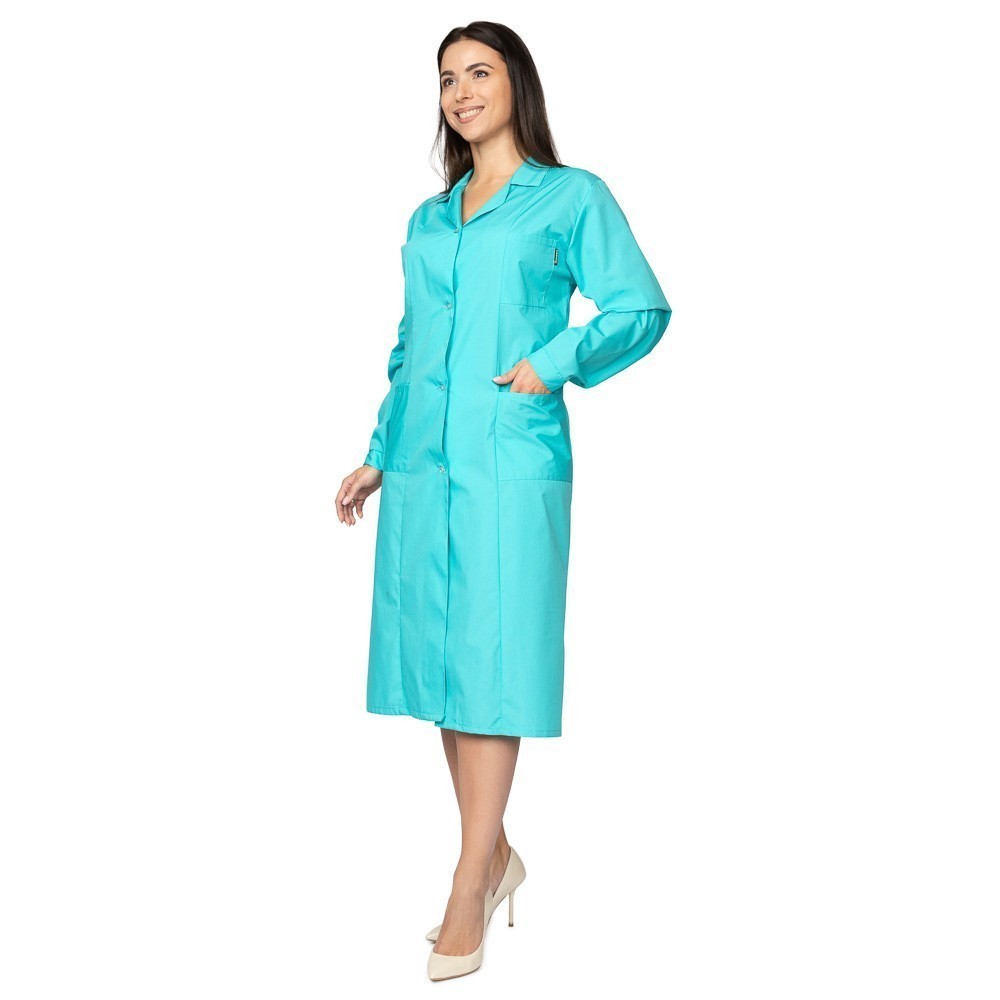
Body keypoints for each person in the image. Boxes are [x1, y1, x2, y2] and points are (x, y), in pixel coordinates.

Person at [335, 21, 672, 981]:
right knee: (447, 663)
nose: (461, 92)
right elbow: (413, 345)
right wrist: (378, 453)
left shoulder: (569, 197)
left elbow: (639, 305)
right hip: (423, 463)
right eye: (447, 78)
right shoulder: (430, 217)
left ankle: (467, 880)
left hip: (509, 460)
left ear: (517, 83)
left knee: (490, 661)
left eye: (479, 73)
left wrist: (552, 362)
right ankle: (495, 855)